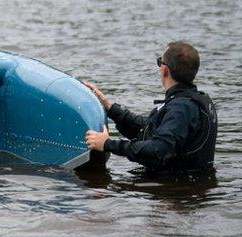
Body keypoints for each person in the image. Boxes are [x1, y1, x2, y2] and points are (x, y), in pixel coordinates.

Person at [84, 41, 217, 175]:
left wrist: (108, 144)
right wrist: (109, 107)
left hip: (176, 190)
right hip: (187, 184)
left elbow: (158, 150)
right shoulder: (190, 101)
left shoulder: (181, 108)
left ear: (165, 70)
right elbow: (149, 129)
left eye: (160, 61)